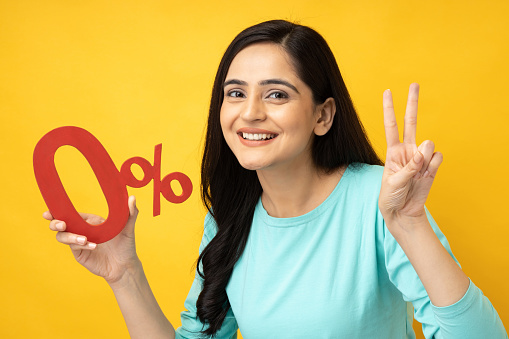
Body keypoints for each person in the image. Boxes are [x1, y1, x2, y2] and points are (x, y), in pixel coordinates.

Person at [44, 20, 507, 338]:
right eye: (235, 93)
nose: (250, 113)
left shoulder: (378, 199)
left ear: (322, 115)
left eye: (277, 94)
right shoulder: (229, 219)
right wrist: (125, 274)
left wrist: (408, 222)